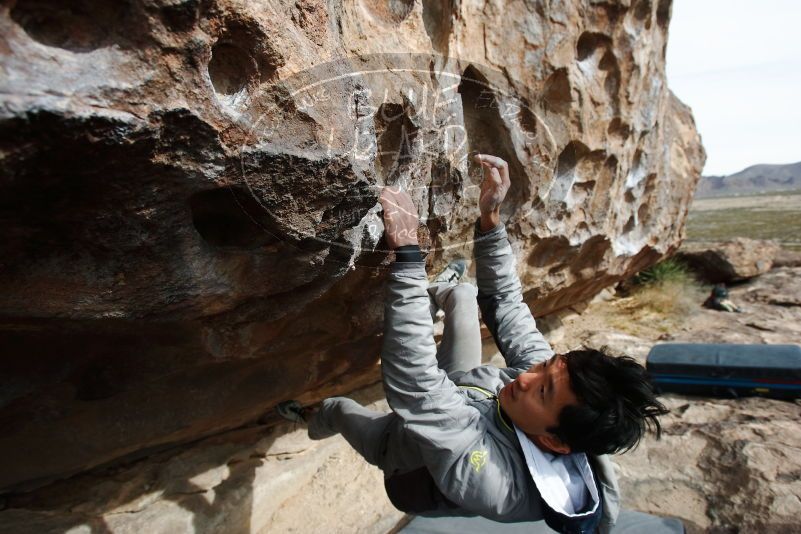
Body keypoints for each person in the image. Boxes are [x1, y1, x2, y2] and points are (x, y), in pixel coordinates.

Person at [278, 154, 668, 533]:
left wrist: (408, 255)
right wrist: (491, 219)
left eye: (543, 390)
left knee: (339, 408)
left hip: (400, 451)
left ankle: (305, 417)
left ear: (553, 441)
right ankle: (441, 288)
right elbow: (506, 307)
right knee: (464, 296)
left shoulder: (498, 484)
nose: (527, 378)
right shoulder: (553, 386)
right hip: (462, 388)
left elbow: (417, 387)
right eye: (546, 367)